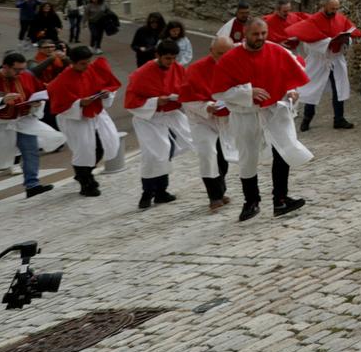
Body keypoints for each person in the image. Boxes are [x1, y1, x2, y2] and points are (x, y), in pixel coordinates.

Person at [211, 17, 314, 221]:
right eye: (255, 34)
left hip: (275, 110)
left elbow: (290, 73)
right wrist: (247, 92)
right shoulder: (231, 58)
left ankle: (281, 200)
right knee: (248, 157)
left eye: (263, 34)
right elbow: (219, 91)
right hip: (246, 114)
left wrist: (292, 90)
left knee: (283, 151)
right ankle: (251, 202)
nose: (260, 38)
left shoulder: (276, 50)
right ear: (245, 34)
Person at [124, 40, 193, 210]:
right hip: (149, 119)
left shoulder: (177, 68)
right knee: (153, 155)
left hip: (169, 116)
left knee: (166, 152)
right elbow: (131, 102)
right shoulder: (142, 74)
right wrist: (155, 101)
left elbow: (186, 88)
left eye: (173, 58)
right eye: (167, 58)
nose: (171, 62)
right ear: (158, 56)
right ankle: (147, 192)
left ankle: (161, 191)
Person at [48, 45, 125, 196]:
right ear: (73, 62)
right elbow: (59, 106)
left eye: (88, 62)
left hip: (95, 114)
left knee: (102, 146)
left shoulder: (90, 70)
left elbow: (106, 86)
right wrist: (79, 104)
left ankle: (84, 173)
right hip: (75, 119)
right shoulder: (62, 80)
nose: (87, 66)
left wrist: (105, 94)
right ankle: (86, 183)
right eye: (83, 63)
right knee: (84, 151)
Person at [181, 36, 239, 211]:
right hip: (201, 119)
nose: (223, 58)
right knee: (208, 153)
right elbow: (186, 98)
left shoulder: (237, 65)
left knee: (223, 156)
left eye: (227, 54)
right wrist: (207, 106)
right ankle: (214, 196)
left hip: (224, 119)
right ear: (211, 51)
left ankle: (221, 191)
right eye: (219, 54)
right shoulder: (195, 70)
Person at [288, 0, 357, 131]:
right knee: (313, 89)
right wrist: (328, 42)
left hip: (336, 59)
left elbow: (351, 32)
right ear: (325, 6)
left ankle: (339, 119)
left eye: (337, 9)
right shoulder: (314, 20)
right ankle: (307, 119)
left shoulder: (340, 18)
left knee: (339, 89)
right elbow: (309, 40)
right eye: (332, 8)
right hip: (319, 60)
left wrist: (345, 40)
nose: (335, 11)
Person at [0, 51, 58, 197]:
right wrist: (2, 100)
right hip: (2, 124)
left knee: (30, 151)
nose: (20, 73)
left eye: (22, 69)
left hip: (24, 120)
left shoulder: (27, 75)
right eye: (17, 70)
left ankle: (32, 185)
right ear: (5, 66)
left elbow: (39, 92)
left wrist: (37, 103)